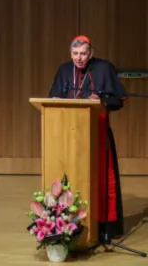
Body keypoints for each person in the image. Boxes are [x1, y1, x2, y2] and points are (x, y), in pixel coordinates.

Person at [48, 35, 126, 238]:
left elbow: (118, 102)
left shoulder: (103, 68)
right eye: (75, 54)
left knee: (101, 179)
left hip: (97, 133)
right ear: (70, 53)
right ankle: (68, 224)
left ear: (91, 52)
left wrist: (101, 100)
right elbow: (53, 98)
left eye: (83, 53)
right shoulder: (65, 70)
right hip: (68, 136)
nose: (79, 58)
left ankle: (103, 227)